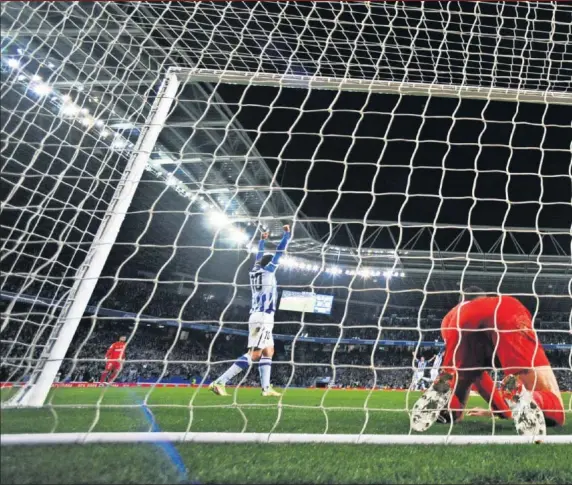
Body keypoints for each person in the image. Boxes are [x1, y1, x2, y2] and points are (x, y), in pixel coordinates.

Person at [411, 287, 565, 436]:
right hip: (505, 312)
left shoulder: (449, 318)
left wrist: (501, 410)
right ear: (483, 298)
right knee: (556, 408)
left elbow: (477, 377)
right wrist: (503, 410)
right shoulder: (495, 303)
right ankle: (530, 398)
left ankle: (446, 407)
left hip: (456, 326)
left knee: (461, 385)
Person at [209, 225, 291, 397]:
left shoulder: (255, 270)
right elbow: (279, 252)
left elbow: (259, 256)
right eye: (275, 264)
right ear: (271, 265)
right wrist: (287, 235)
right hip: (263, 316)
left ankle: (266, 388)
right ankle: (219, 382)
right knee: (254, 354)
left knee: (269, 351)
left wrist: (262, 239)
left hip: (260, 315)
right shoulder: (269, 272)